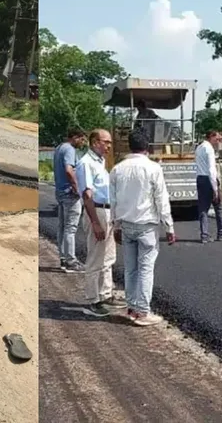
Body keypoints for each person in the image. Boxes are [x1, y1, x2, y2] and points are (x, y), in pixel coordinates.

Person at [110, 129, 175, 326]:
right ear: (147, 147)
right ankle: (142, 312)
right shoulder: (153, 168)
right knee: (146, 269)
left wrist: (116, 226)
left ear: (130, 146)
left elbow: (114, 201)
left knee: (130, 268)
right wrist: (169, 226)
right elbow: (161, 199)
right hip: (146, 226)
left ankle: (131, 307)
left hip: (127, 225)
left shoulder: (117, 169)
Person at [75, 129, 126, 317]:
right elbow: (87, 195)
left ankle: (105, 293)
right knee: (96, 257)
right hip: (96, 211)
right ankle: (93, 300)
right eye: (106, 142)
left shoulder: (100, 162)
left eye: (110, 143)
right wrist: (95, 223)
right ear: (95, 142)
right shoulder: (86, 163)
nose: (109, 146)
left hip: (107, 210)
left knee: (108, 257)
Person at [54, 128, 88, 273]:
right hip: (69, 194)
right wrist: (77, 188)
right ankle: (71, 261)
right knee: (70, 228)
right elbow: (69, 170)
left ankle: (63, 258)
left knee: (62, 226)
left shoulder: (59, 148)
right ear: (75, 137)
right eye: (82, 139)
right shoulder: (69, 150)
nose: (83, 142)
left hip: (60, 192)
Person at [195, 130, 222, 243]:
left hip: (200, 178)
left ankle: (204, 235)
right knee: (218, 207)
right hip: (209, 179)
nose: (218, 141)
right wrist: (215, 188)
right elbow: (211, 169)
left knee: (203, 209)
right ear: (211, 136)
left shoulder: (199, 147)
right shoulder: (209, 149)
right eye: (217, 138)